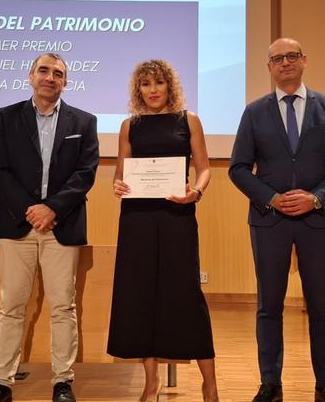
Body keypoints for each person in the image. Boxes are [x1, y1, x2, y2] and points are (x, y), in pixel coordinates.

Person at [229, 38, 325, 402]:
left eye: (291, 56)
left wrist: (317, 197)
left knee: (322, 306)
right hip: (270, 221)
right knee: (269, 306)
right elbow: (238, 169)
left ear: (304, 60)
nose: (284, 63)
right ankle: (270, 383)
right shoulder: (254, 112)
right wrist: (271, 199)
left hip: (317, 220)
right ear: (268, 66)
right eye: (276, 58)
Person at [0, 53, 99, 402]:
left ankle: (63, 381)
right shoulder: (6, 117)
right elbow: (0, 170)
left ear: (66, 82)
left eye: (58, 73)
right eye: (44, 71)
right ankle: (2, 382)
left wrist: (52, 208)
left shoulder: (84, 121)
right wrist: (31, 209)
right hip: (18, 224)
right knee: (11, 306)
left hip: (62, 225)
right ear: (31, 76)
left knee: (63, 307)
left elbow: (85, 173)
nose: (50, 77)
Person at [108, 59, 219, 402]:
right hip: (137, 219)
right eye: (145, 84)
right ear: (137, 89)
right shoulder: (130, 126)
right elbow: (119, 173)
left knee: (186, 295)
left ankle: (209, 383)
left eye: (158, 83)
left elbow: (204, 169)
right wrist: (117, 185)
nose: (152, 90)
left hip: (177, 216)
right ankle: (151, 382)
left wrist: (195, 192)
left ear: (169, 85)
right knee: (141, 296)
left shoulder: (190, 121)